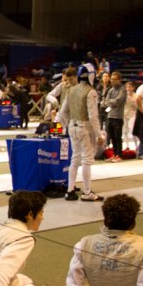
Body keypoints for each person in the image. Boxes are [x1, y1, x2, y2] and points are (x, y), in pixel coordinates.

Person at [59, 65, 105, 202]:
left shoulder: (71, 90)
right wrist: (99, 134)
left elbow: (63, 112)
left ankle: (70, 191)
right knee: (86, 160)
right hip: (84, 128)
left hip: (72, 127)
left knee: (75, 158)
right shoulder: (91, 92)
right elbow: (93, 116)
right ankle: (87, 192)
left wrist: (65, 126)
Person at [101, 71, 126, 162]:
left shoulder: (122, 90)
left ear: (119, 80)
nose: (112, 81)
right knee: (112, 137)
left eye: (114, 79)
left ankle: (119, 155)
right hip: (110, 115)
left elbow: (118, 101)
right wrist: (111, 102)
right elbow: (105, 102)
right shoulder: (111, 90)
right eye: (111, 79)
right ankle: (114, 154)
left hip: (118, 117)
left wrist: (109, 102)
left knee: (117, 137)